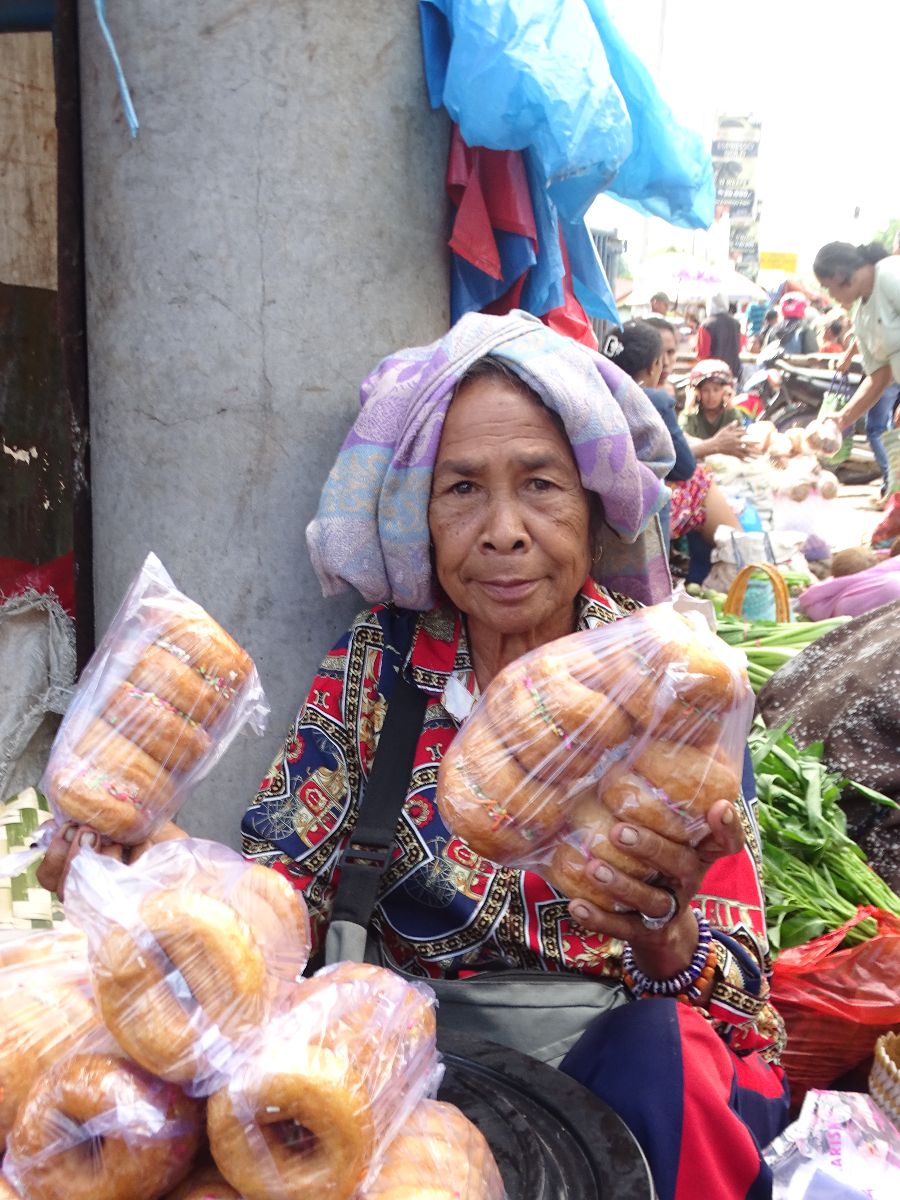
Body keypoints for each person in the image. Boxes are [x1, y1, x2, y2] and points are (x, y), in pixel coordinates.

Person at [40, 312, 790, 1200]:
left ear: (593, 512)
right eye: (462, 488)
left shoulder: (672, 689)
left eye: (541, 485)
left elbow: (741, 998)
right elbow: (281, 895)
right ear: (418, 519)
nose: (503, 529)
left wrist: (668, 938)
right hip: (394, 1063)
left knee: (675, 1053)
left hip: (622, 1075)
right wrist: (148, 877)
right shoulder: (380, 666)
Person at [605, 322, 741, 555]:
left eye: (672, 352)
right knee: (700, 479)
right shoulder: (654, 401)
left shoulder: (599, 392)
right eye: (663, 355)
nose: (667, 362)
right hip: (633, 513)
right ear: (653, 365)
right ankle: (745, 558)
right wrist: (714, 445)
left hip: (606, 504)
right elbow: (684, 467)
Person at [813, 241, 900, 497]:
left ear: (839, 275)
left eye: (828, 287)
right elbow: (879, 376)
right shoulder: (861, 317)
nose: (831, 295)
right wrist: (842, 418)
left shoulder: (889, 273)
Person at [681, 359, 756, 462]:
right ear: (698, 392)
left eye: (716, 390)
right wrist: (688, 405)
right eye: (706, 390)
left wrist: (729, 404)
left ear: (724, 391)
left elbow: (739, 436)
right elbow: (683, 441)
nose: (711, 396)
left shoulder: (731, 414)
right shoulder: (691, 415)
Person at [696, 293, 742, 381]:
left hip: (713, 376)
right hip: (734, 372)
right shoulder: (736, 323)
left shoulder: (706, 325)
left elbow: (702, 354)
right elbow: (739, 348)